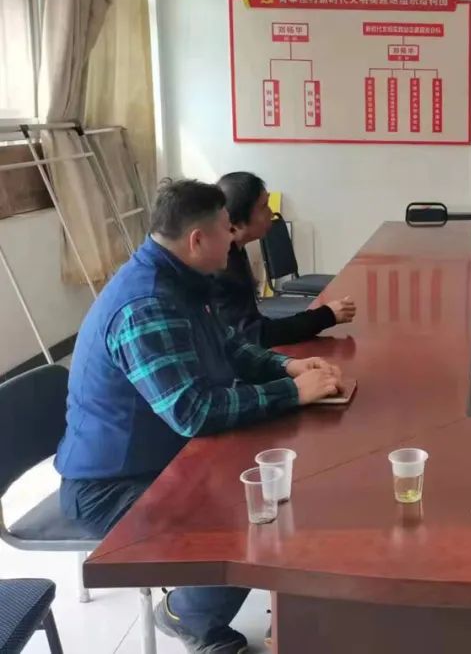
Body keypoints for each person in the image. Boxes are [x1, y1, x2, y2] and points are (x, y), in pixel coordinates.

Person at [55, 179, 342, 654]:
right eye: (226, 230)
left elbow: (230, 347)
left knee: (279, 490)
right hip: (111, 485)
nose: (233, 238)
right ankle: (187, 615)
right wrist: (291, 393)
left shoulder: (182, 279)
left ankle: (258, 611)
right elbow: (195, 411)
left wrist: (287, 367)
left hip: (166, 456)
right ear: (197, 239)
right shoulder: (146, 304)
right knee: (256, 516)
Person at [215, 171, 355, 346]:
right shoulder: (221, 266)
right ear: (237, 223)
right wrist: (326, 315)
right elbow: (257, 336)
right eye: (264, 206)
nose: (271, 212)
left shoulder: (234, 251)